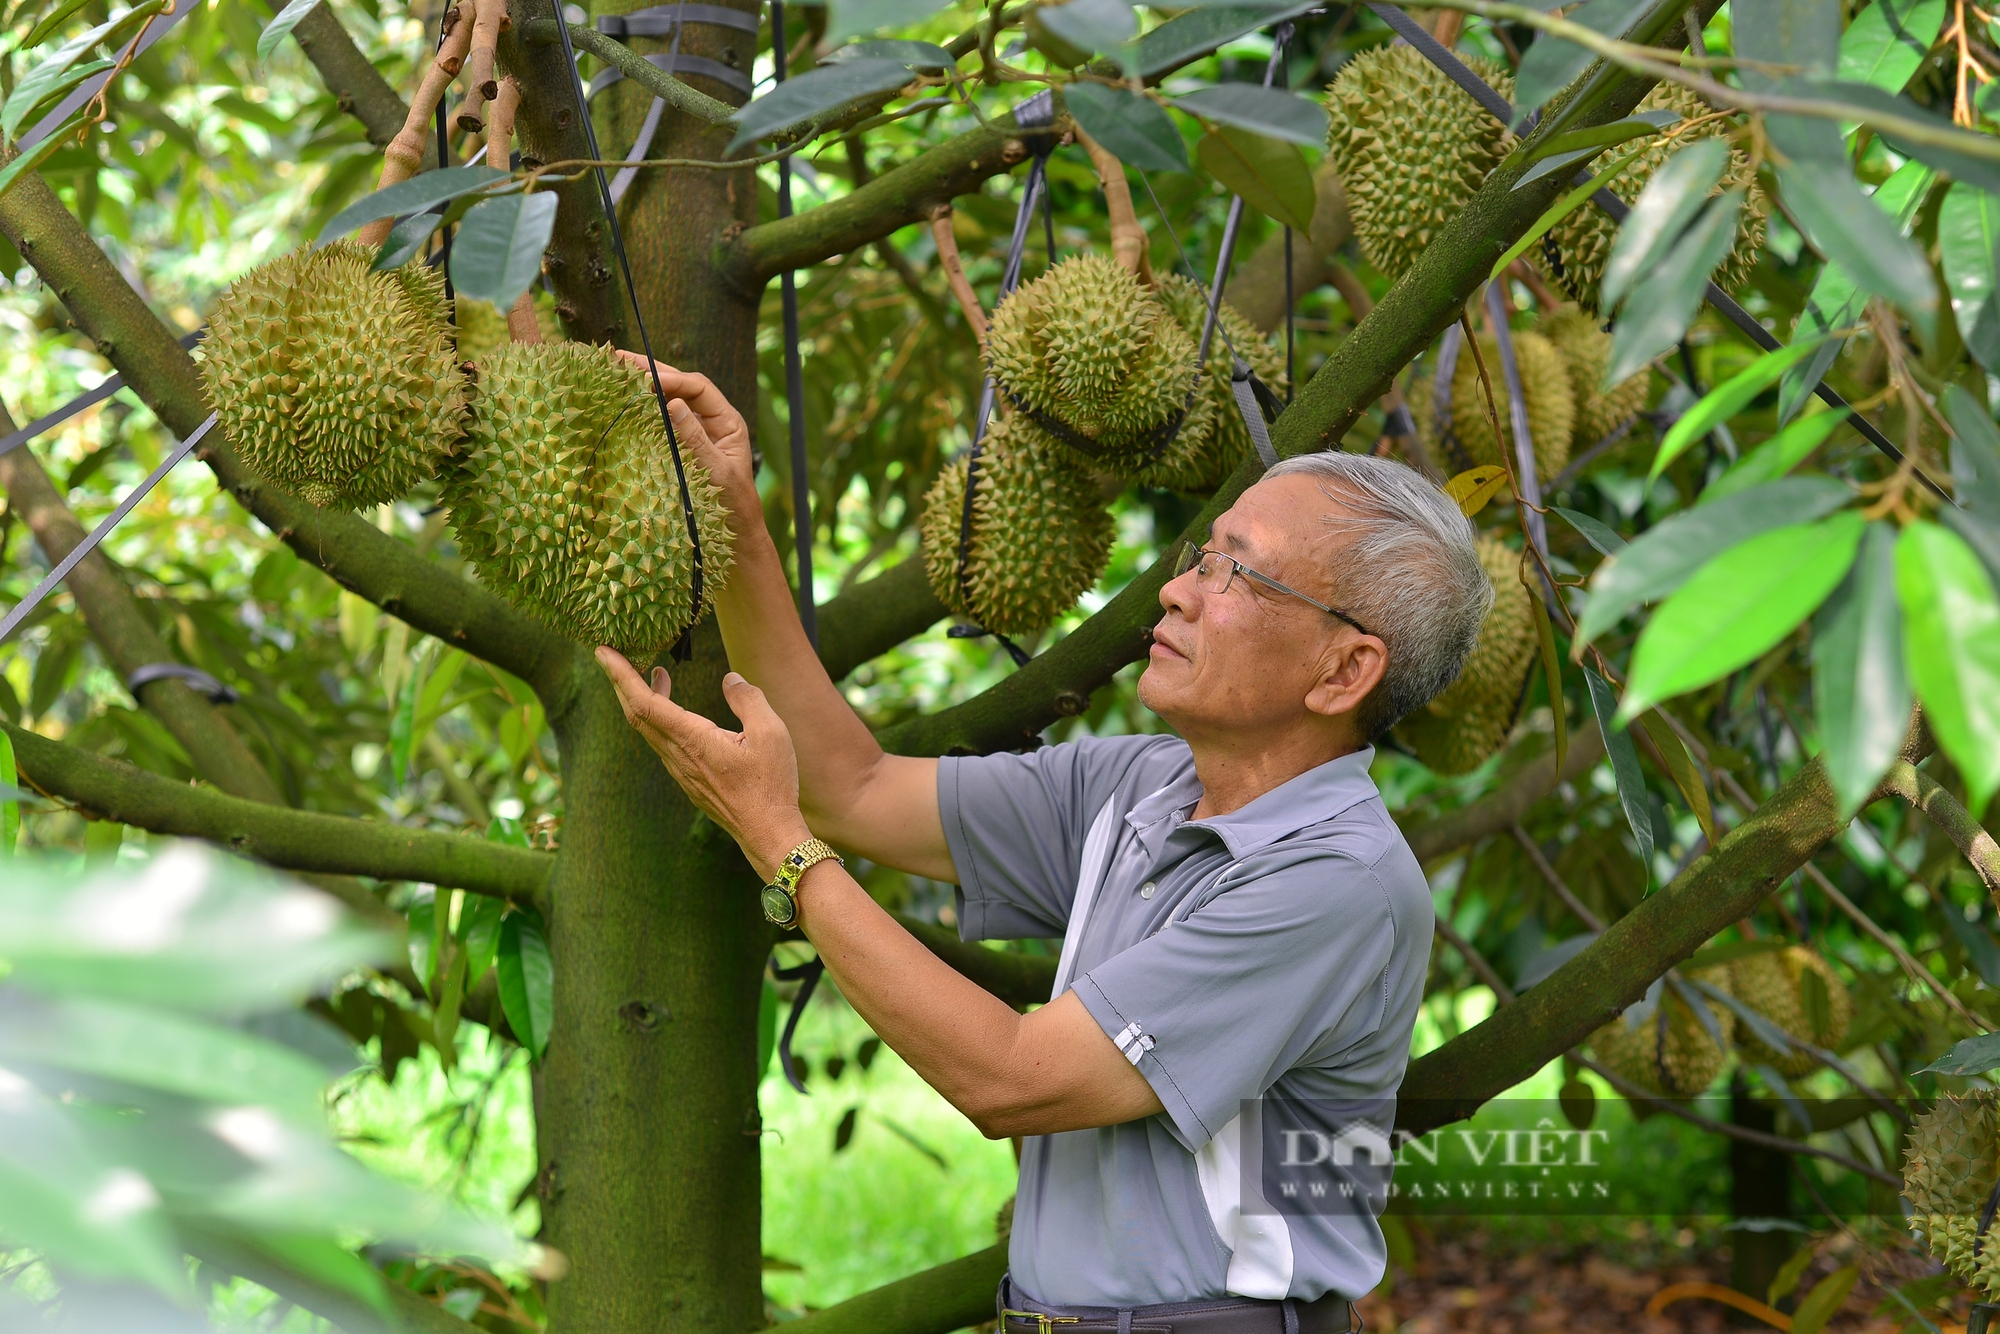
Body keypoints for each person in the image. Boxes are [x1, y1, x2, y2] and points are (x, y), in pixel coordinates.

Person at [596, 356, 1494, 1334]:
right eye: (1202, 554)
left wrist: (784, 848)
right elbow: (851, 785)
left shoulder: (1335, 883)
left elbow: (1013, 1078)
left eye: (1238, 569)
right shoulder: (1140, 784)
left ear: (1343, 669)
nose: (1182, 590)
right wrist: (735, 521)